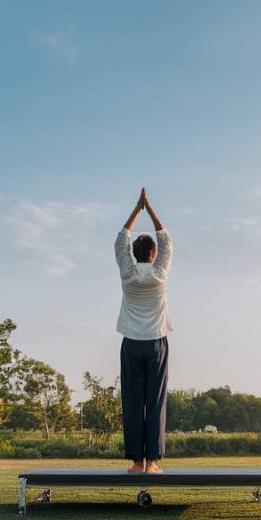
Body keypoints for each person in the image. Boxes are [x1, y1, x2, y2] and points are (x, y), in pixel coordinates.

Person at [114, 187, 173, 474]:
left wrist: (136, 210)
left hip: (131, 344)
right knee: (156, 401)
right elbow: (166, 240)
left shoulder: (127, 274)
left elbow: (120, 240)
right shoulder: (160, 274)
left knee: (134, 402)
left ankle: (138, 462)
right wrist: (149, 208)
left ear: (134, 254)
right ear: (152, 254)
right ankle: (153, 462)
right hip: (156, 344)